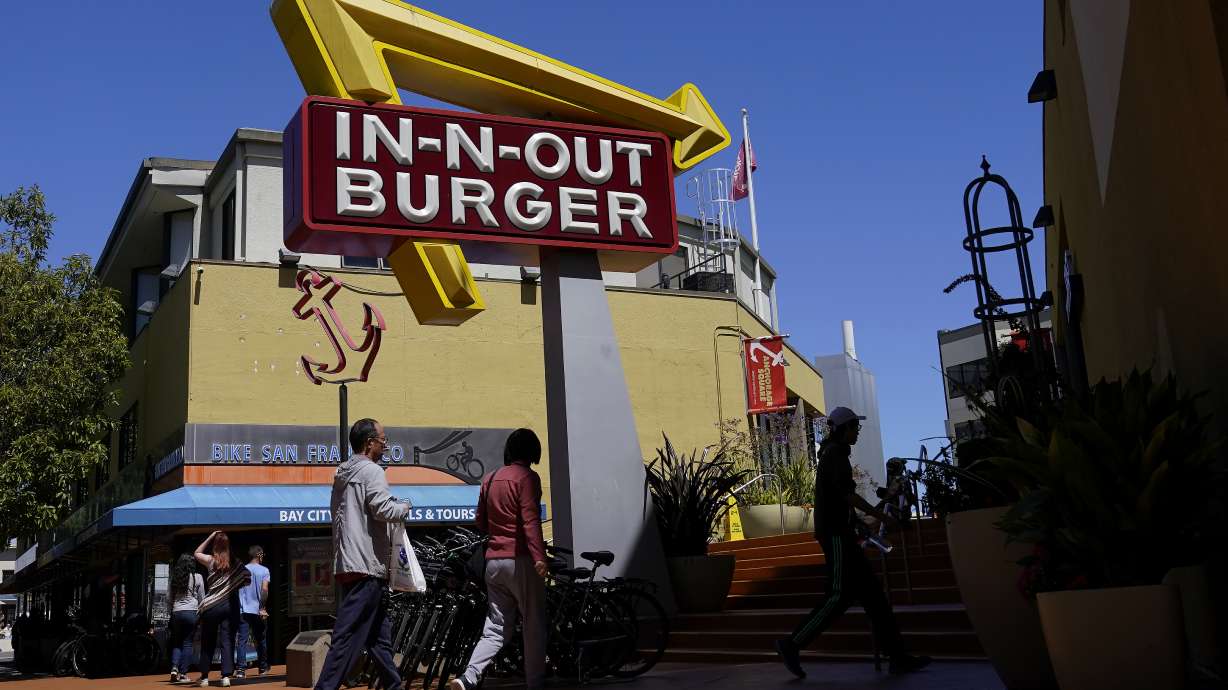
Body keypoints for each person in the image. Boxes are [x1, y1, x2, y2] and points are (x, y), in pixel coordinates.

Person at [775, 407, 932, 677]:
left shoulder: (834, 454)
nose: (856, 431)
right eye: (853, 427)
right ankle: (791, 644)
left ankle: (897, 657)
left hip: (843, 532)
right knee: (838, 596)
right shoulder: (835, 454)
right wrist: (880, 515)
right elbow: (847, 496)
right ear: (842, 429)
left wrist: (859, 523)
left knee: (874, 598)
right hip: (836, 536)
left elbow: (839, 499)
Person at [314, 419, 412, 690]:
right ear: (369, 443)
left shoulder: (342, 474)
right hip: (367, 566)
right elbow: (383, 509)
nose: (386, 445)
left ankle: (393, 685)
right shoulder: (372, 471)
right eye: (383, 440)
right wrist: (405, 506)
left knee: (378, 639)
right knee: (345, 637)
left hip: (348, 562)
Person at [450, 428, 547, 690]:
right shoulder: (527, 478)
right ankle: (535, 682)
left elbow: (479, 521)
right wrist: (540, 558)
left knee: (494, 627)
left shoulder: (490, 478)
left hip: (493, 563)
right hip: (521, 560)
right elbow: (530, 520)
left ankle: (468, 677)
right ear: (532, 451)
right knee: (533, 624)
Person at [194, 531, 251, 688]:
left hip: (211, 606)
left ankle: (204, 677)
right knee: (227, 640)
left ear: (215, 545)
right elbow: (247, 578)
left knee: (208, 641)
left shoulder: (210, 561)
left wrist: (211, 536)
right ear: (228, 546)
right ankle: (225, 676)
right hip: (229, 605)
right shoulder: (234, 563)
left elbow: (196, 552)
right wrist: (232, 585)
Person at [234, 545, 271, 678]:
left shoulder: (241, 570)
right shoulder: (264, 570)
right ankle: (262, 668)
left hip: (243, 610)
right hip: (257, 610)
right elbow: (265, 590)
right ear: (259, 555)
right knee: (260, 639)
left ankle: (240, 670)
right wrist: (262, 607)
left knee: (242, 640)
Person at [170, 554, 206, 683]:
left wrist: (172, 610)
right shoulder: (198, 577)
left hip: (176, 611)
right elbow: (202, 598)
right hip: (191, 611)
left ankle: (174, 667)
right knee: (188, 642)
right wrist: (202, 614)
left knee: (177, 641)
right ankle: (183, 674)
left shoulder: (176, 578)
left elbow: (170, 597)